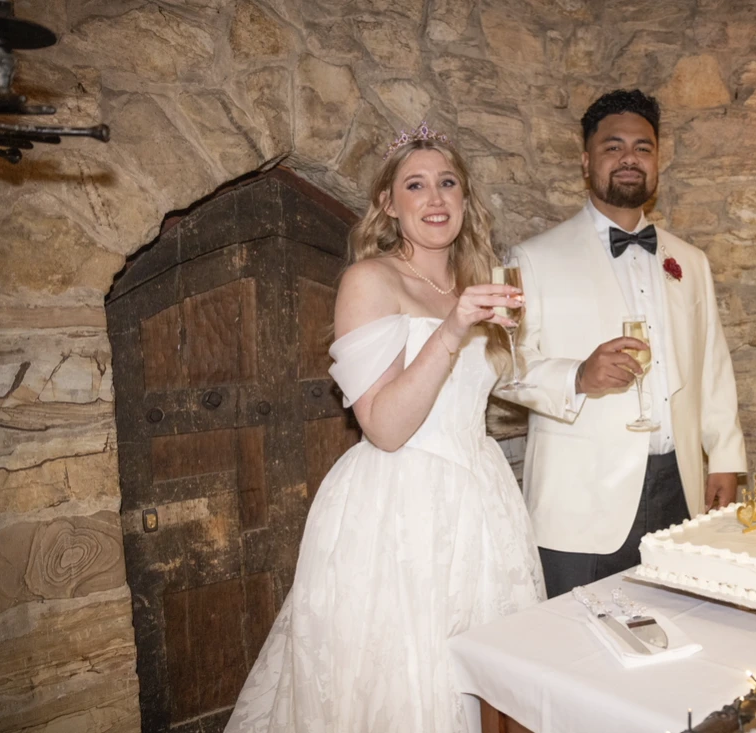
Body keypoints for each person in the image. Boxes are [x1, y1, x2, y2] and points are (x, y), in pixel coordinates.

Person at [225, 124, 545, 733]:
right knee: (404, 682)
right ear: (387, 204)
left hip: (481, 498)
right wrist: (453, 328)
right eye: (415, 185)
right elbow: (385, 427)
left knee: (491, 680)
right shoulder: (369, 281)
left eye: (447, 183)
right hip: (399, 507)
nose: (434, 199)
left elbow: (495, 385)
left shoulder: (474, 279)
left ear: (465, 199)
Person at [504, 90, 748, 599]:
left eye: (643, 147)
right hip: (580, 505)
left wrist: (724, 456)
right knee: (575, 652)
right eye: (613, 147)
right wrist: (578, 376)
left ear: (656, 161)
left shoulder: (691, 261)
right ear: (586, 161)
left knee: (680, 633)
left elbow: (712, 366)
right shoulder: (533, 258)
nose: (630, 158)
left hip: (678, 489)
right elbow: (506, 365)